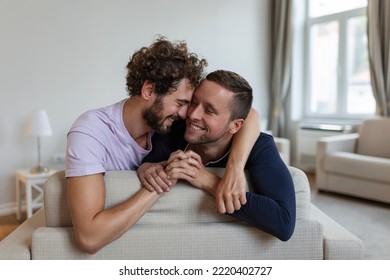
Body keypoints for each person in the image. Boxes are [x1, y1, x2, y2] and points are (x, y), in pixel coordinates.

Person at [65, 37, 258, 254]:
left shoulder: (168, 127)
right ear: (149, 90)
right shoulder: (91, 132)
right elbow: (89, 238)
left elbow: (247, 113)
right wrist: (164, 180)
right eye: (181, 103)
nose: (188, 115)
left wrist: (235, 169)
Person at [139, 70, 296, 241]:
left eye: (209, 110)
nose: (192, 115)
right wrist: (145, 167)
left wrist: (206, 180)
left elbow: (284, 223)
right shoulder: (172, 130)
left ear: (235, 126)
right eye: (194, 102)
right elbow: (142, 164)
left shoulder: (259, 147)